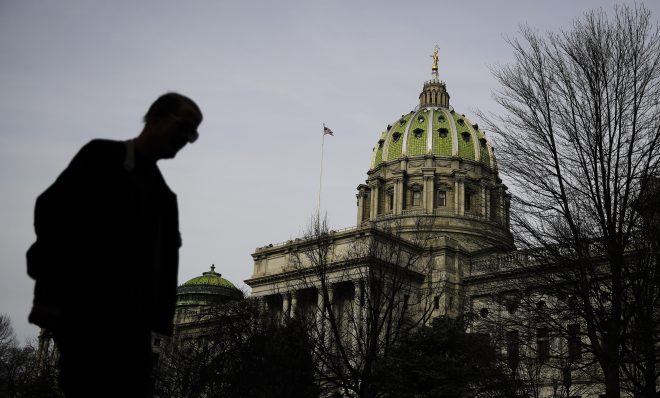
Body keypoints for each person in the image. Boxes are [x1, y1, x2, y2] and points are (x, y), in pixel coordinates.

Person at [26, 92, 203, 397]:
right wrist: (51, 298)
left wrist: (159, 322)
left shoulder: (165, 198)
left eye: (194, 133)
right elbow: (52, 216)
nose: (187, 138)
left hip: (134, 333)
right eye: (183, 127)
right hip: (87, 318)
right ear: (155, 118)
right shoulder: (102, 157)